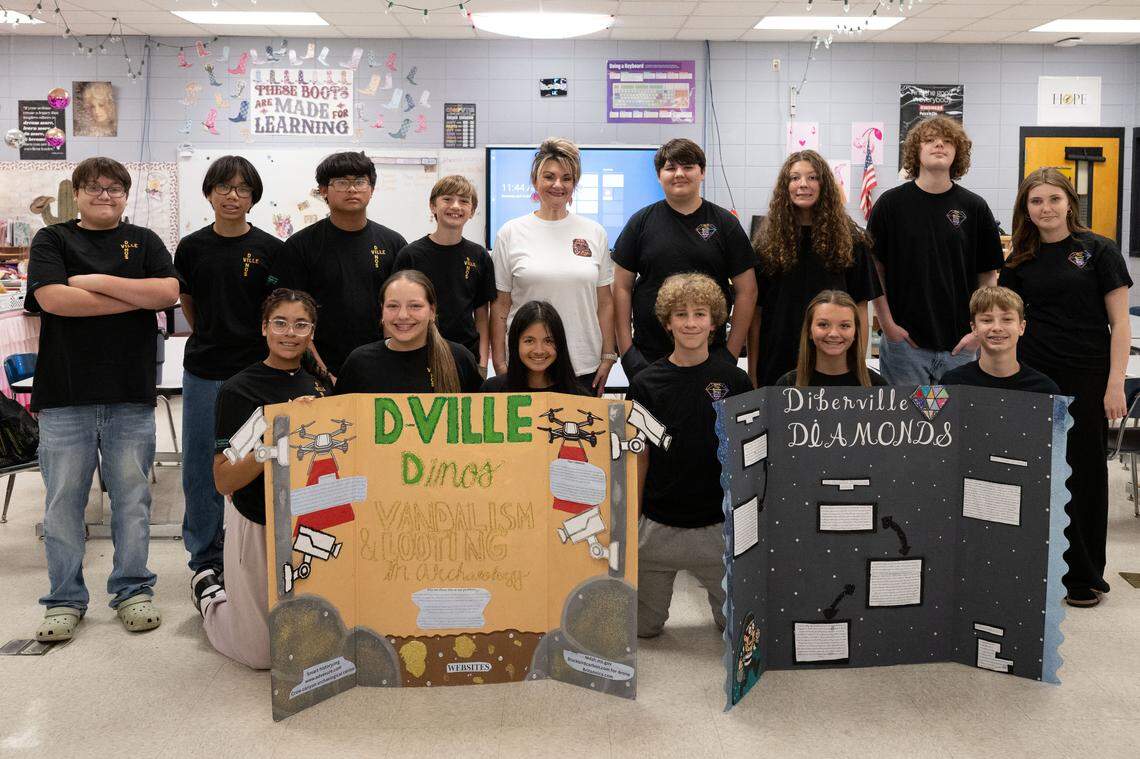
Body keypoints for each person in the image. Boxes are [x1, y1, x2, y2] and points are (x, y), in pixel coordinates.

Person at [27, 157, 179, 641]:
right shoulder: (53, 240)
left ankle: (133, 590)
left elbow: (168, 292)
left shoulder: (147, 242)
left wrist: (89, 282)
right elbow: (53, 300)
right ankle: (64, 599)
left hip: (129, 395)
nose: (105, 195)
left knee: (132, 501)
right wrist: (134, 297)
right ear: (77, 193)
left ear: (126, 194)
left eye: (115, 188)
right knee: (62, 504)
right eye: (94, 188)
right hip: (65, 395)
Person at [998, 167, 1131, 608]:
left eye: (1054, 199)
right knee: (1037, 474)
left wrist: (1115, 384)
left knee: (1086, 474)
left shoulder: (1099, 251)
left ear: (1070, 203)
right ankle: (1037, 567)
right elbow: (1006, 318)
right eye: (1036, 201)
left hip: (1089, 378)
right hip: (1034, 379)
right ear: (1026, 209)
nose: (1046, 208)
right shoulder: (1020, 259)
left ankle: (1084, 574)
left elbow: (1120, 325)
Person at [175, 155, 282, 599]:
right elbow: (189, 304)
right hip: (204, 371)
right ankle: (204, 560)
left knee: (258, 464)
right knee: (202, 467)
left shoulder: (272, 250)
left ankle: (252, 553)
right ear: (209, 193)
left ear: (253, 196)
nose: (232, 195)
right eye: (223, 187)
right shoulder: (192, 247)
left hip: (256, 376)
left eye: (241, 188)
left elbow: (276, 312)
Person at [204, 289, 328, 669]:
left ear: (311, 333)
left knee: (314, 640)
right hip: (256, 518)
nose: (289, 333)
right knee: (260, 655)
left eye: (300, 324)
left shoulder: (322, 389)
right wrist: (272, 437)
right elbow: (224, 481)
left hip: (304, 521)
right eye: (280, 323)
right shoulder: (240, 389)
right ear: (264, 328)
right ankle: (211, 597)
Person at [629, 273, 753, 638]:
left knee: (734, 627)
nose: (690, 322)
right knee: (642, 629)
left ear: (715, 322)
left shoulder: (735, 382)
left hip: (716, 528)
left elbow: (747, 457)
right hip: (656, 529)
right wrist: (631, 521)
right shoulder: (645, 384)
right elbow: (640, 457)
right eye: (680, 314)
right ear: (667, 322)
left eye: (700, 313)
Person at [869, 115, 1004, 385]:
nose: (939, 145)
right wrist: (887, 326)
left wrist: (977, 333)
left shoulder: (975, 207)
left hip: (960, 347)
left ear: (958, 153)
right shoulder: (890, 205)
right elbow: (874, 270)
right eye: (929, 140)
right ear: (915, 151)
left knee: (956, 425)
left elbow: (988, 278)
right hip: (904, 345)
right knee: (907, 425)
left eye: (947, 141)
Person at [613, 138, 757, 378]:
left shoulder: (725, 224)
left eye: (688, 167)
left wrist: (731, 353)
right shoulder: (641, 222)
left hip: (711, 357)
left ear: (702, 172)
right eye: (670, 168)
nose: (679, 174)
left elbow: (748, 291)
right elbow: (620, 288)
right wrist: (627, 352)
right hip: (649, 359)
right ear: (659, 176)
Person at [490, 138, 616, 396]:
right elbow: (501, 305)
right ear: (535, 181)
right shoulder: (510, 233)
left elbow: (604, 302)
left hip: (583, 365)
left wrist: (608, 355)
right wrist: (501, 362)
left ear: (574, 185)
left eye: (567, 178)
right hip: (527, 367)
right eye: (549, 176)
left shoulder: (594, 232)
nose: (558, 185)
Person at [267, 151, 407, 379]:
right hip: (315, 371)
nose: (352, 189)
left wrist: (389, 363)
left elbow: (400, 312)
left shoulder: (393, 243)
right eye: (341, 182)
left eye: (360, 182)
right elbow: (291, 317)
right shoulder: (300, 246)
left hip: (381, 367)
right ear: (323, 191)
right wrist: (324, 373)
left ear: (371, 190)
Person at [751, 151, 881, 386]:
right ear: (785, 186)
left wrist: (858, 365)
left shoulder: (851, 241)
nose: (803, 185)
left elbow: (860, 308)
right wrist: (752, 373)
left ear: (825, 185)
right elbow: (757, 314)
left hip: (835, 362)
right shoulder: (766, 243)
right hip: (778, 360)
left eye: (812, 178)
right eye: (794, 178)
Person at [392, 175, 495, 370]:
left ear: (472, 211)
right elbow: (394, 310)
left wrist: (481, 364)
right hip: (418, 353)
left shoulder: (479, 255)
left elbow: (482, 314)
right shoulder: (411, 255)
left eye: (464, 201)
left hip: (466, 356)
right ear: (433, 206)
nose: (455, 206)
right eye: (447, 199)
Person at [334, 270, 482, 394]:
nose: (403, 315)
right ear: (382, 310)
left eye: (415, 306)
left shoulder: (460, 359)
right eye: (393, 306)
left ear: (432, 311)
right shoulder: (359, 363)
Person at [940, 286, 1060, 394]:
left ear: (1021, 327)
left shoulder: (1046, 390)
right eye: (987, 320)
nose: (997, 328)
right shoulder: (951, 383)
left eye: (1007, 319)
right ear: (974, 328)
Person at [775, 290, 887, 387]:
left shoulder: (876, 386)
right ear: (809, 331)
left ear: (855, 333)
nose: (833, 333)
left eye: (844, 326)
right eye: (823, 324)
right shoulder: (787, 385)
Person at [480, 300, 589, 395]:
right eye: (529, 341)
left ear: (560, 343)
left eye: (548, 341)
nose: (539, 350)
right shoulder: (492, 390)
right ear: (515, 343)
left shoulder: (579, 397)